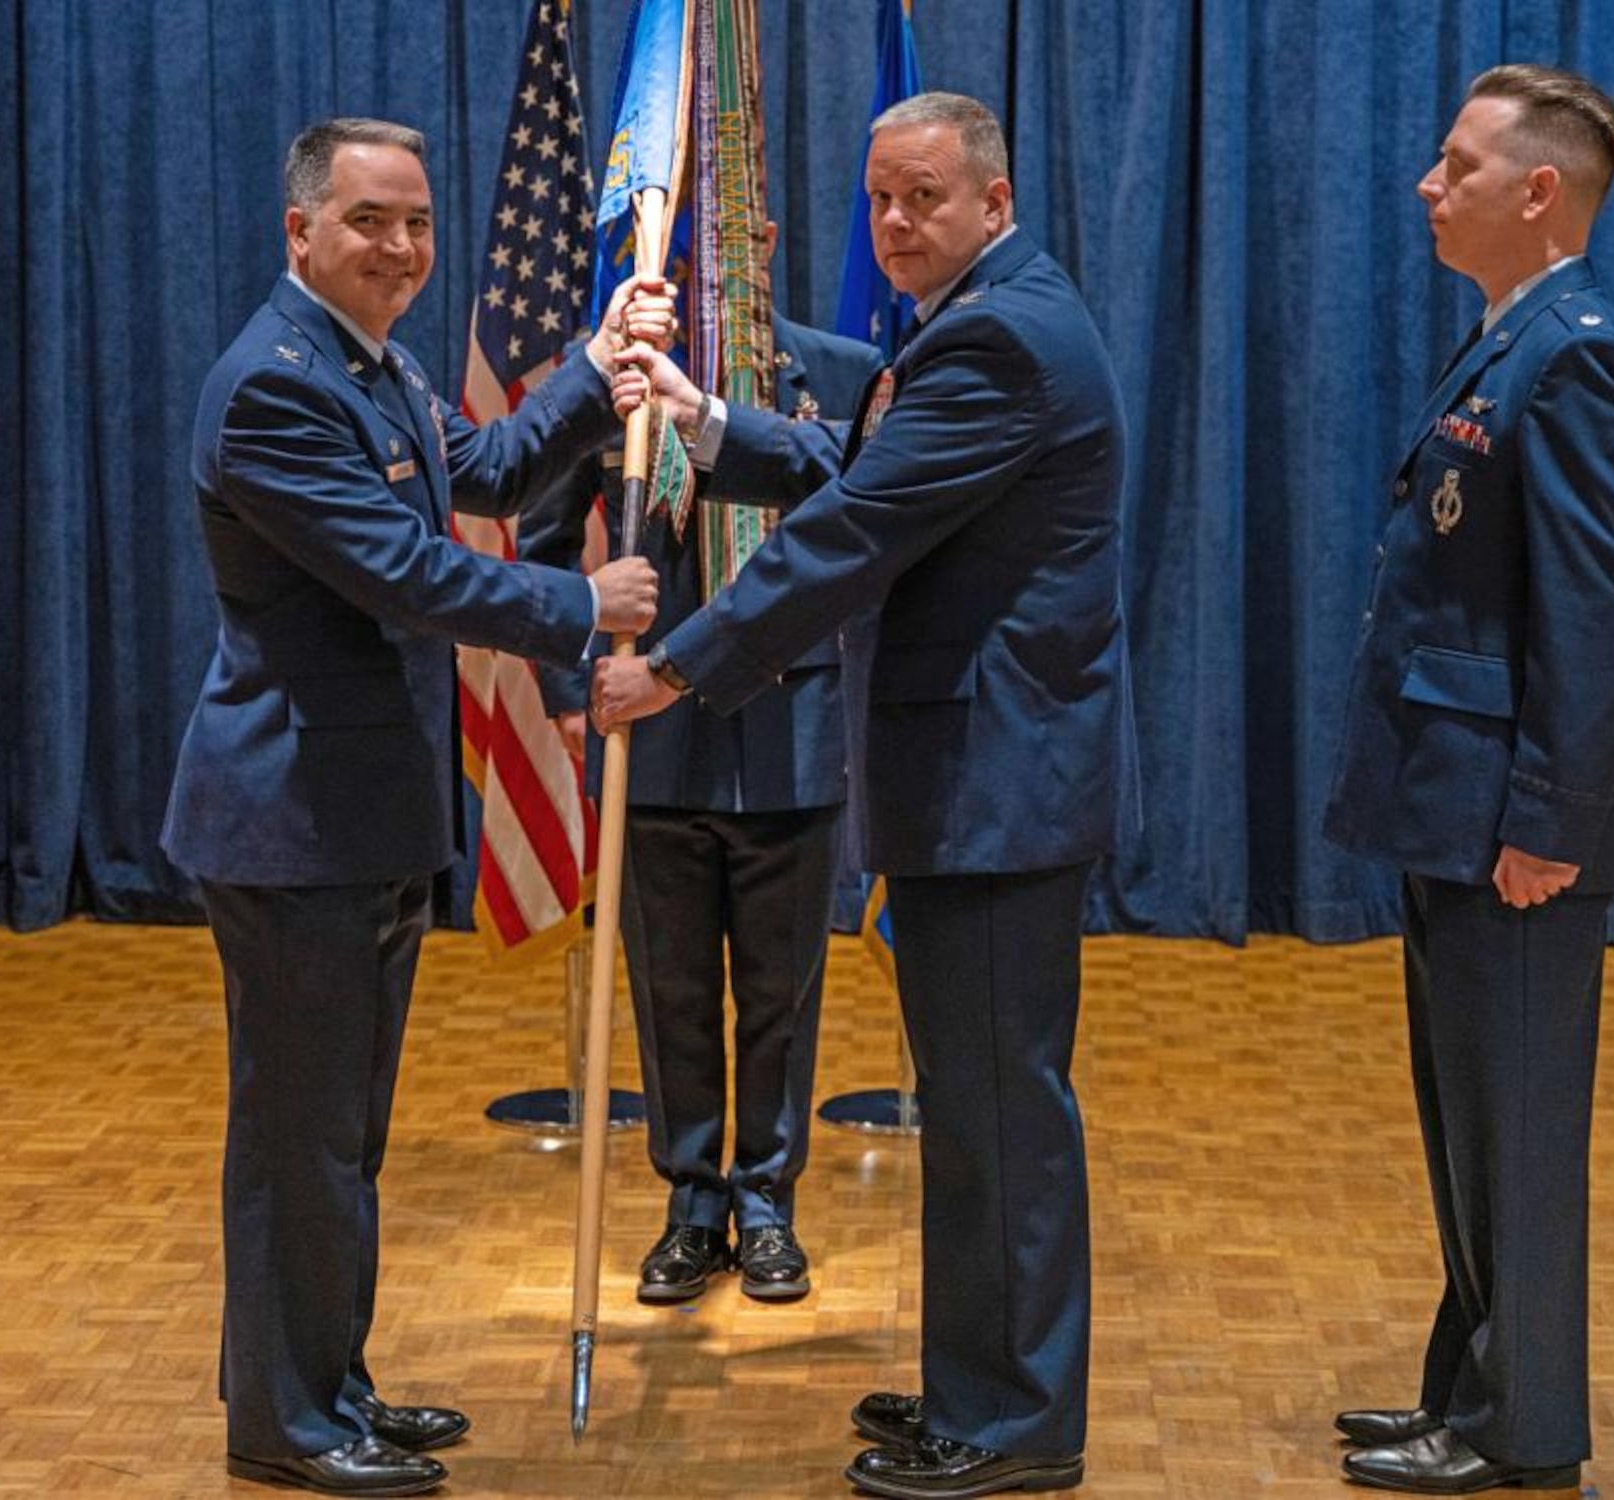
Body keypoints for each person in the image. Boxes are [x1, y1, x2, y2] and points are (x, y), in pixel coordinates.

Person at [592, 92, 1132, 1500]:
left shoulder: (999, 335)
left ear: (994, 200)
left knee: (1001, 1115)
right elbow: (861, 469)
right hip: (978, 779)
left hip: (995, 783)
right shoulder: (976, 317)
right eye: (881, 198)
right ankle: (978, 1385)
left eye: (926, 200)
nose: (896, 224)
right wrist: (710, 423)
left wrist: (682, 668)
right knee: (971, 1109)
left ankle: (1015, 1427)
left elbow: (851, 533)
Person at [161, 117, 666, 1498]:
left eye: (417, 224)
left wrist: (601, 358)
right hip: (292, 821)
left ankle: (326, 1382)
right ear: (301, 232)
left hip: (359, 818)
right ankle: (286, 1421)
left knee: (340, 1137)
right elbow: (408, 573)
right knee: (301, 1138)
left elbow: (488, 472)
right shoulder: (275, 387)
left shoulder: (363, 371)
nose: (400, 249)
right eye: (371, 221)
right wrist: (586, 605)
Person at [1322, 66, 1614, 1495]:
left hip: (1512, 826)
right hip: (1452, 802)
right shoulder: (1510, 336)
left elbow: (1596, 622)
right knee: (1470, 1119)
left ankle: (1522, 1429)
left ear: (1539, 193)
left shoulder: (1580, 354)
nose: (1428, 183)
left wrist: (1546, 825)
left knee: (1517, 1130)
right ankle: (1466, 1390)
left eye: (1457, 165)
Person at [518, 251, 881, 1306]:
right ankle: (690, 1201)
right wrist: (569, 690)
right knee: (670, 986)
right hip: (649, 732)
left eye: (730, 245)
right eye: (683, 259)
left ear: (763, 241)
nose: (712, 270)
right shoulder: (618, 379)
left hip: (793, 723)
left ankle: (766, 1200)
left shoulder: (841, 373)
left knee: (780, 988)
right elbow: (546, 540)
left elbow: (866, 528)